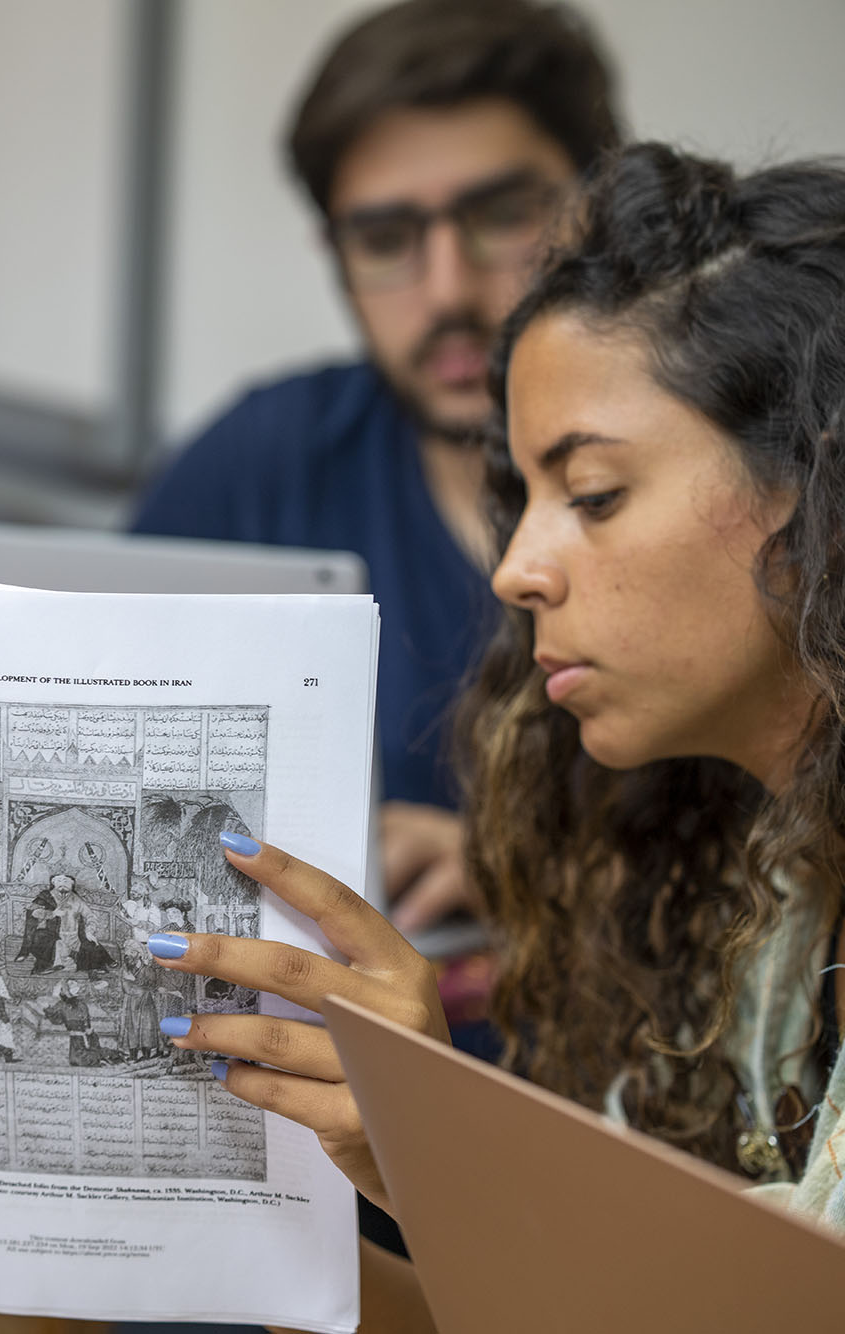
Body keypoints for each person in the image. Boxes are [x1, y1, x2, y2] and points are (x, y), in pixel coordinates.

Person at [148, 144, 845, 1318]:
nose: (517, 568)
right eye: (520, 499)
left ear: (816, 489)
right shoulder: (759, 878)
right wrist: (265, 1186)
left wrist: (434, 1146)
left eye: (593, 494)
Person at [133, 0, 620, 932]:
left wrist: (529, 875)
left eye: (505, 214)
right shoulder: (268, 457)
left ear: (602, 206)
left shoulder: (726, 469)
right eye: (387, 239)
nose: (448, 290)